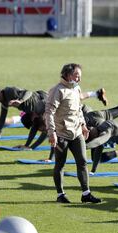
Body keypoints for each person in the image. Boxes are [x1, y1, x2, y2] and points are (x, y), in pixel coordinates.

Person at [44, 63, 101, 203]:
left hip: (76, 133)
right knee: (60, 164)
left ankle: (86, 193)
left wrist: (83, 125)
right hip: (61, 134)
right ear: (68, 75)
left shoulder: (76, 89)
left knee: (82, 162)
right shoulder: (57, 90)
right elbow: (49, 113)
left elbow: (78, 110)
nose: (79, 79)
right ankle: (60, 195)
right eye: (77, 76)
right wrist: (52, 132)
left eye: (80, 76)